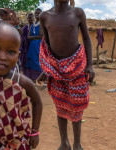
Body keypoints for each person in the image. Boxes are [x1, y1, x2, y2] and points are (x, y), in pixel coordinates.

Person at [38, 0, 95, 150]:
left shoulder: (77, 13)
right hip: (56, 70)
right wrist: (47, 68)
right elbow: (47, 45)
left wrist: (90, 65)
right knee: (59, 105)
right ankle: (64, 143)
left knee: (77, 106)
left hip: (77, 66)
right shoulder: (45, 16)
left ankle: (77, 144)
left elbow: (87, 38)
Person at [0, 22, 42, 150]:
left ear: (18, 56)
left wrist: (35, 132)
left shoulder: (23, 82)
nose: (3, 57)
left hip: (17, 144)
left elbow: (37, 103)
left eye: (10, 52)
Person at [26, 8, 43, 82]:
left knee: (38, 60)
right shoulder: (33, 25)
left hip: (38, 45)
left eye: (38, 13)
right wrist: (35, 37)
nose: (37, 15)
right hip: (32, 45)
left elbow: (41, 36)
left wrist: (33, 37)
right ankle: (33, 78)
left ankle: (40, 78)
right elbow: (28, 37)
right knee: (32, 61)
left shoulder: (42, 24)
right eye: (36, 13)